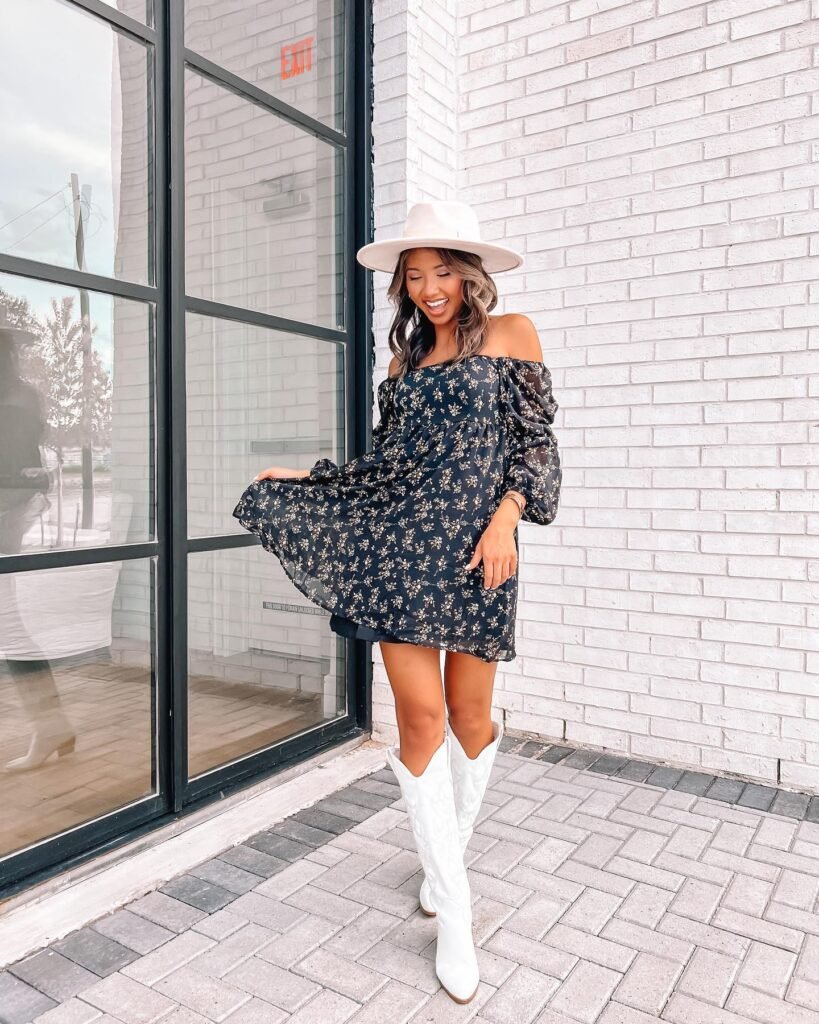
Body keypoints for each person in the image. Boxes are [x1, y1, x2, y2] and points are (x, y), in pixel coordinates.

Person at [233, 199, 561, 1004]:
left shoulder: (512, 334)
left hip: (479, 553)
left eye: (441, 272)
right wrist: (310, 476)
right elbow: (386, 469)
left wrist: (506, 521)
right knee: (420, 720)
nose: (427, 289)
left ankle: (445, 867)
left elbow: (534, 444)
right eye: (413, 277)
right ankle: (455, 912)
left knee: (471, 719)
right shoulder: (401, 367)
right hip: (400, 554)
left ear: (468, 274)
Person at [0, 330, 75, 773]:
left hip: (4, 515)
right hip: (9, 513)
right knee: (9, 627)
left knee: (9, 628)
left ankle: (50, 726)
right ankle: (52, 725)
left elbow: (16, 471)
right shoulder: (21, 397)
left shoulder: (14, 403)